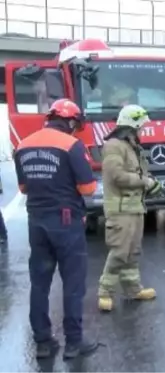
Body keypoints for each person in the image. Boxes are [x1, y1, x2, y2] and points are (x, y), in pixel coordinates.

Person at [13, 98, 99, 359]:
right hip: (65, 221)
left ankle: (43, 342)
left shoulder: (23, 146)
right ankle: (74, 342)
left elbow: (23, 188)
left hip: (36, 221)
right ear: (70, 122)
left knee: (39, 283)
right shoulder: (72, 145)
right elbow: (88, 188)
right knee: (73, 282)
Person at [97, 105, 161, 312]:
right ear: (132, 125)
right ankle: (105, 292)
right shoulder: (114, 146)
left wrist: (151, 183)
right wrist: (145, 182)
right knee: (119, 251)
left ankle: (133, 289)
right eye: (141, 126)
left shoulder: (132, 146)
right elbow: (117, 176)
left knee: (133, 252)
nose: (143, 130)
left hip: (135, 207)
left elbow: (139, 174)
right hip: (120, 209)